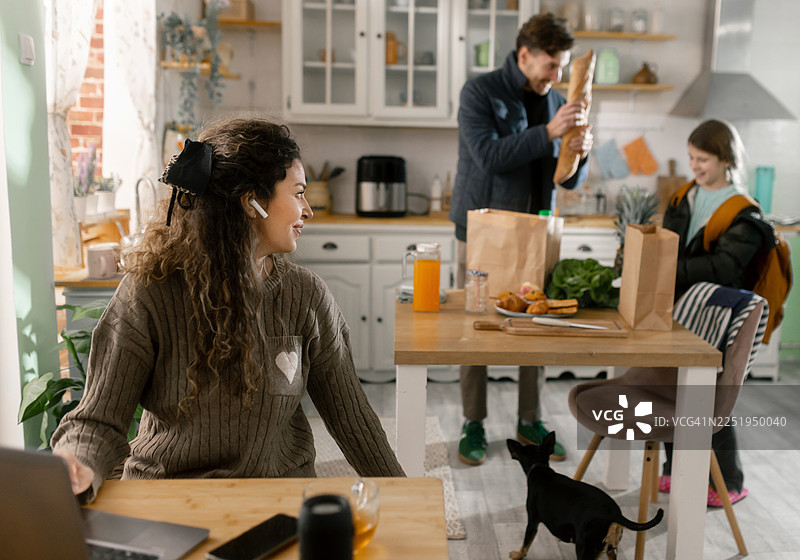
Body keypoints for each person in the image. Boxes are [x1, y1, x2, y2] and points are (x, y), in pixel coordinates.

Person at [52, 118, 405, 502]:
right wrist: (77, 462)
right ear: (251, 201)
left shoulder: (306, 296)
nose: (308, 209)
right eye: (298, 193)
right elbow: (97, 419)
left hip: (277, 502)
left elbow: (352, 419)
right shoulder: (149, 293)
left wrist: (405, 497)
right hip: (170, 501)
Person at [448, 13, 593, 465]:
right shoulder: (480, 92)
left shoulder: (556, 102)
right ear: (525, 55)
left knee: (539, 326)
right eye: (551, 65)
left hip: (535, 231)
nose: (558, 77)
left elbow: (566, 181)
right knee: (476, 329)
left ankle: (529, 420)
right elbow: (489, 156)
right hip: (481, 233)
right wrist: (548, 133)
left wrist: (579, 154)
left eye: (563, 67)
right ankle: (473, 422)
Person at [660, 118, 775, 506]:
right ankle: (673, 470)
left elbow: (727, 269)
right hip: (681, 309)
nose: (695, 165)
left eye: (703, 158)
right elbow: (668, 244)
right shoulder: (683, 197)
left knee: (710, 396)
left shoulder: (744, 211)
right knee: (676, 391)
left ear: (725, 158)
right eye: (691, 157)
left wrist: (669, 269)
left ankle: (729, 481)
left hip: (721, 315)